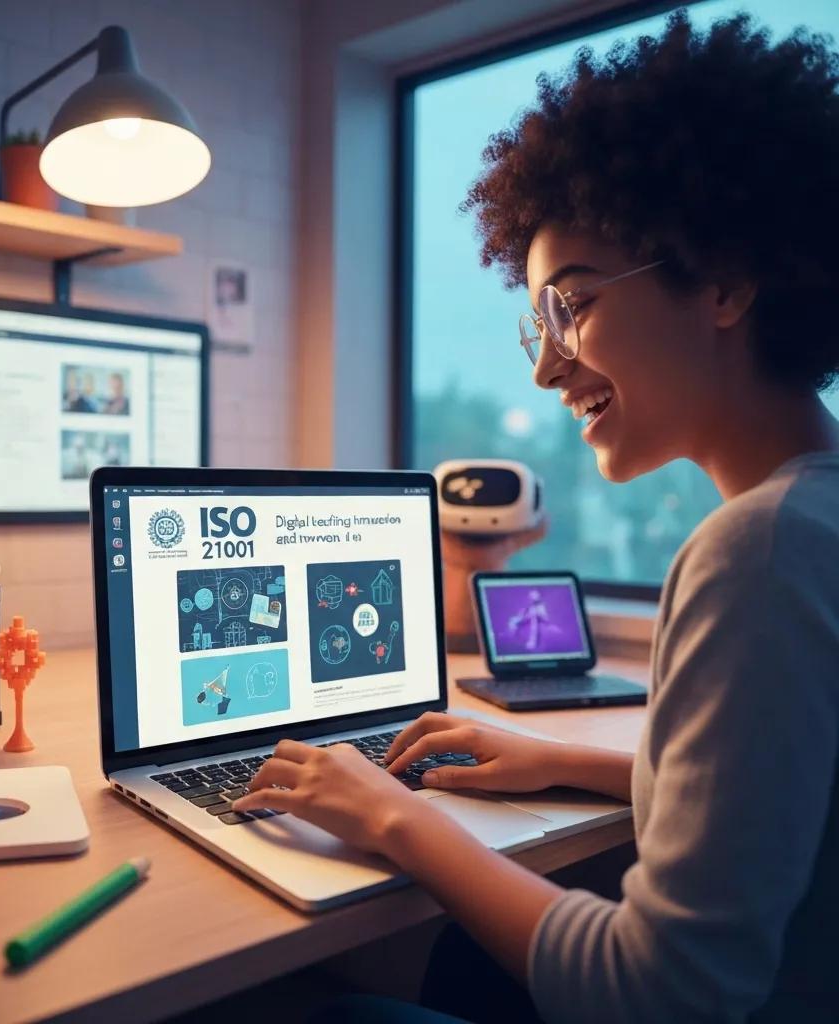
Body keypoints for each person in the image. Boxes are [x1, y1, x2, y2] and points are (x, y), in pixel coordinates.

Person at [233, 11, 839, 1022]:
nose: (546, 363)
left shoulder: (757, 551)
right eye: (538, 320)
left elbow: (661, 992)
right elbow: (789, 806)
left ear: (725, 280)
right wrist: (573, 762)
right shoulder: (814, 517)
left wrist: (395, 820)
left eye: (575, 304)